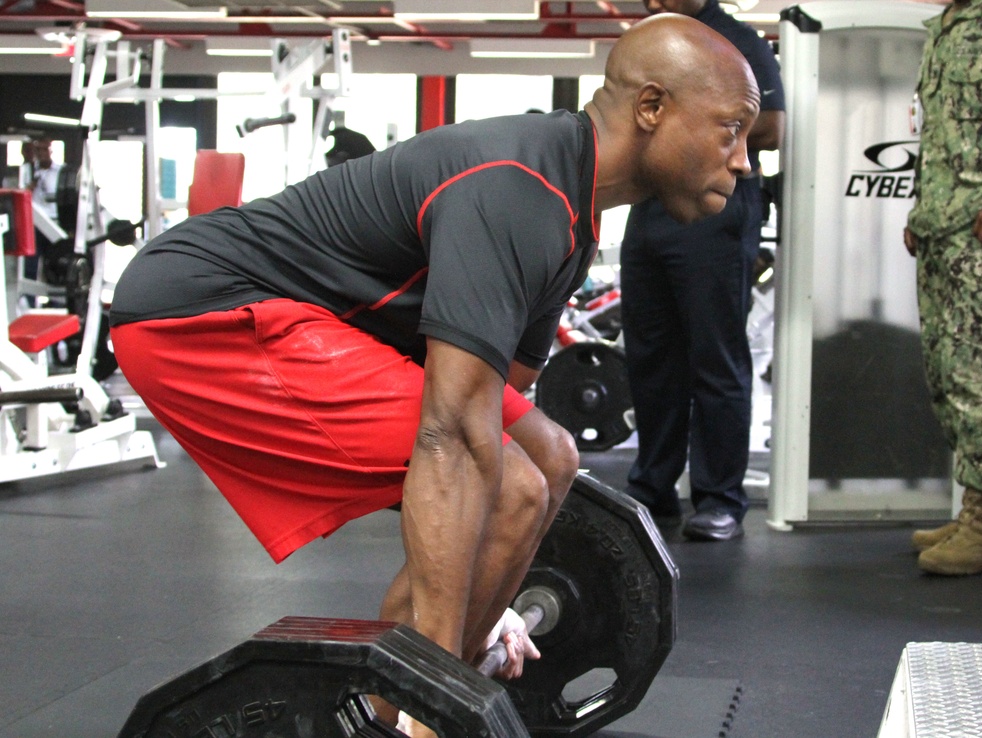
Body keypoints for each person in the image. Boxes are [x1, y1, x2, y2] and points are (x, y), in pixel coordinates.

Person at [108, 13, 760, 735]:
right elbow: (452, 437)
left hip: (282, 315)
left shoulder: (568, 215)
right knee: (506, 482)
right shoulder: (520, 189)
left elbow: (496, 401)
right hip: (199, 312)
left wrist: (491, 603)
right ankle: (413, 714)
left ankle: (402, 695)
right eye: (732, 129)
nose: (743, 162)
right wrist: (442, 692)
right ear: (651, 108)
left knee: (550, 456)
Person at [618, 0, 785, 542]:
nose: (653, 4)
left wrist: (695, 130)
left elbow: (774, 127)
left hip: (716, 208)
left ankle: (718, 499)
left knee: (714, 356)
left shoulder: (735, 41)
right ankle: (653, 487)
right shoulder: (660, 40)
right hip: (652, 206)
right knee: (650, 354)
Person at [903, 0, 982, 576]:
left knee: (981, 380)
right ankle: (977, 512)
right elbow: (940, 134)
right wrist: (923, 210)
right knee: (948, 374)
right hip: (945, 226)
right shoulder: (943, 28)